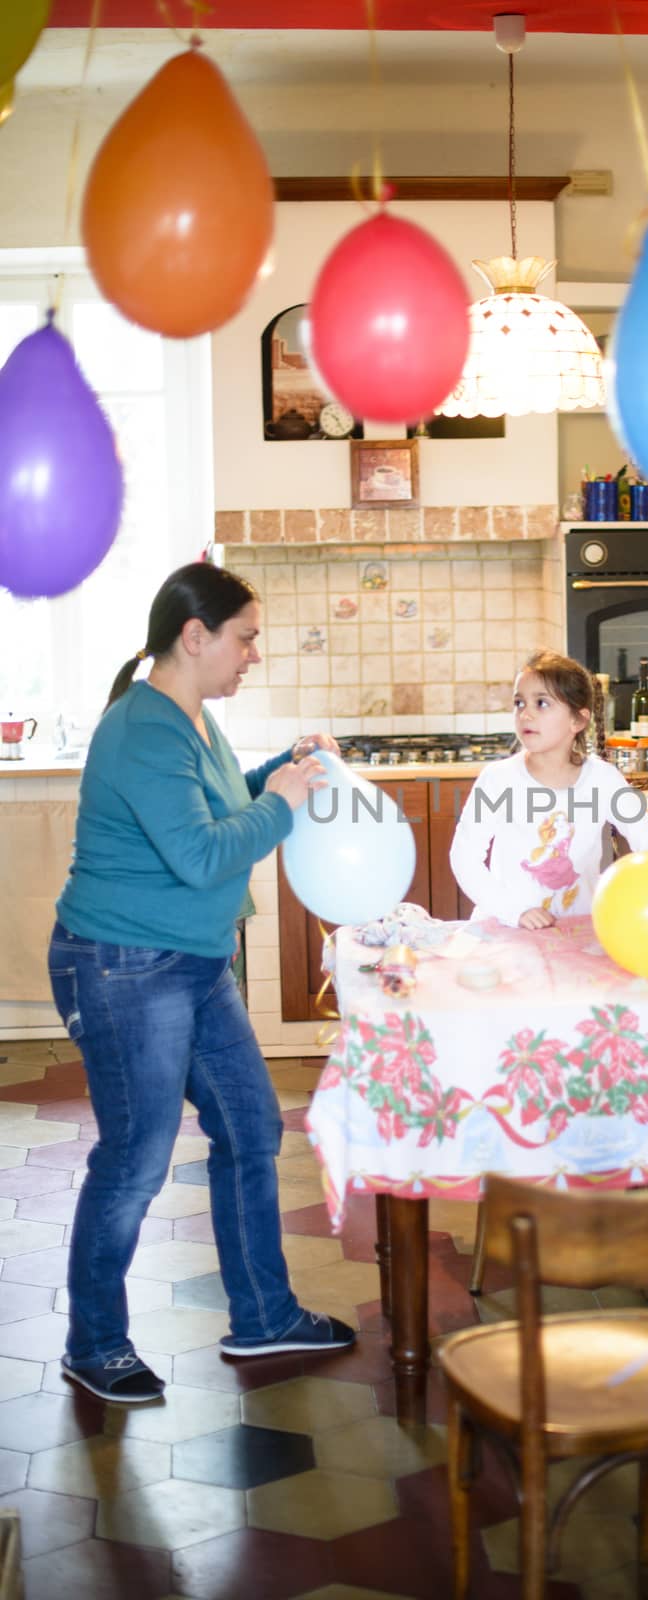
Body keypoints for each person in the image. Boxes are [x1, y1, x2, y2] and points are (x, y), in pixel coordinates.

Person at [48, 562, 355, 1405]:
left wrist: (276, 772)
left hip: (190, 961)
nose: (253, 654)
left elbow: (216, 810)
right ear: (195, 635)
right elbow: (203, 854)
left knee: (251, 1129)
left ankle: (263, 1316)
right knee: (136, 1160)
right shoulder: (143, 729)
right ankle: (94, 1343)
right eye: (245, 637)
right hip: (122, 967)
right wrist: (284, 802)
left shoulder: (190, 720)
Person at [449, 649, 648, 928]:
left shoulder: (603, 779)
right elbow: (464, 858)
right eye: (520, 703)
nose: (526, 714)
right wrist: (513, 911)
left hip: (576, 930)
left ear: (577, 721)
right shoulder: (497, 780)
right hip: (507, 929)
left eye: (541, 703)